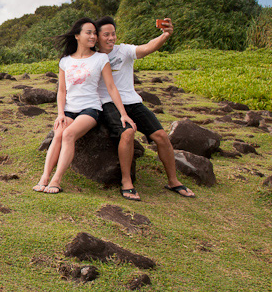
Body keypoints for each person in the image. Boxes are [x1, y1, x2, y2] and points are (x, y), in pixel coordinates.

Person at [94, 16, 195, 200]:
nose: (111, 38)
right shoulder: (93, 56)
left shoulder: (123, 51)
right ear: (97, 36)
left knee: (162, 136)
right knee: (127, 133)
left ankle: (173, 181)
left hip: (133, 102)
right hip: (108, 103)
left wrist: (165, 35)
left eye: (113, 34)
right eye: (106, 35)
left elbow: (147, 47)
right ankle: (126, 181)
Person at [34, 17, 136, 194]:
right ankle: (44, 178)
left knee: (68, 134)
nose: (93, 36)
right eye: (88, 32)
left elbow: (111, 87)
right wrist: (60, 114)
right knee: (58, 134)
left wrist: (123, 113)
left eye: (94, 33)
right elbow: (62, 91)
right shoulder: (65, 61)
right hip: (69, 109)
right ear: (77, 36)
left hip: (90, 109)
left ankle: (56, 180)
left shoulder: (100, 58)